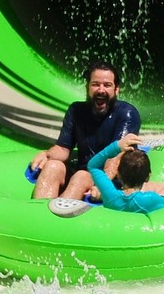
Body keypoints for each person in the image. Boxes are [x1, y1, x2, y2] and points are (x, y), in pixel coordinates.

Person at [31, 61, 141, 199]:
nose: (101, 90)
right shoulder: (76, 110)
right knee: (53, 166)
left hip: (111, 180)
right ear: (87, 87)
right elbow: (63, 149)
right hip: (83, 173)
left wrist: (103, 185)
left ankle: (56, 216)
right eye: (95, 84)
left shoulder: (127, 114)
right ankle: (38, 211)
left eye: (107, 85)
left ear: (116, 89)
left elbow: (117, 157)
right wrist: (46, 155)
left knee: (82, 176)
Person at [87, 133, 164, 213]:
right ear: (148, 177)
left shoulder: (109, 194)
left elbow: (93, 165)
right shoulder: (148, 199)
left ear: (118, 174)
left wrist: (116, 146)